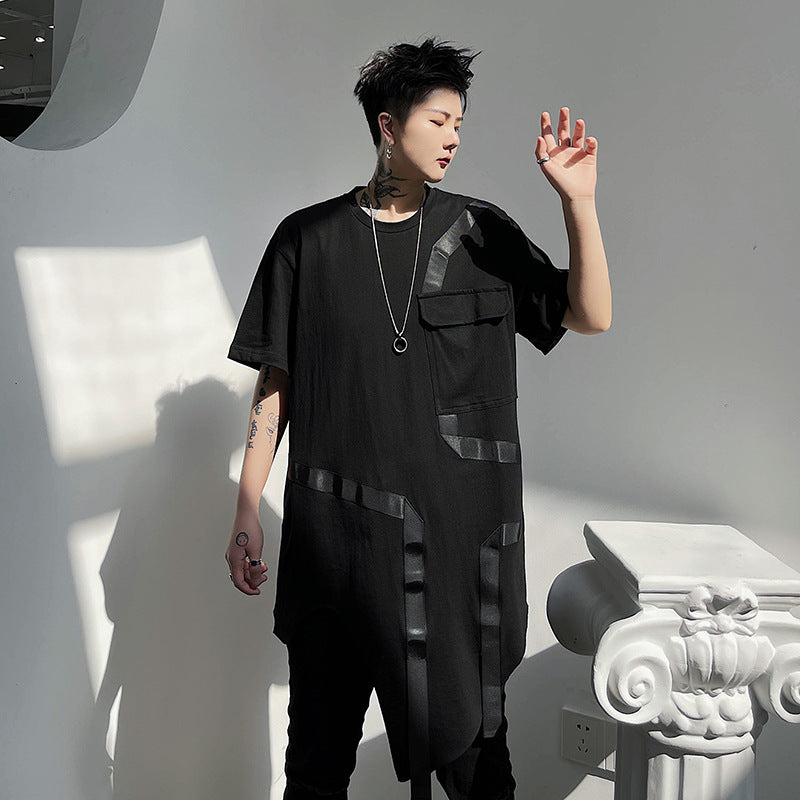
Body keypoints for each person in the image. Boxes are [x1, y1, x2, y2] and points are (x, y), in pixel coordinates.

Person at [224, 36, 611, 800]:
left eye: (459, 122)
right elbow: (276, 382)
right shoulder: (308, 241)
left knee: (479, 773)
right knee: (315, 773)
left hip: (458, 564)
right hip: (337, 550)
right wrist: (245, 506)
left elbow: (588, 315)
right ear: (387, 125)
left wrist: (579, 203)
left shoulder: (481, 233)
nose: (453, 137)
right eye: (438, 120)